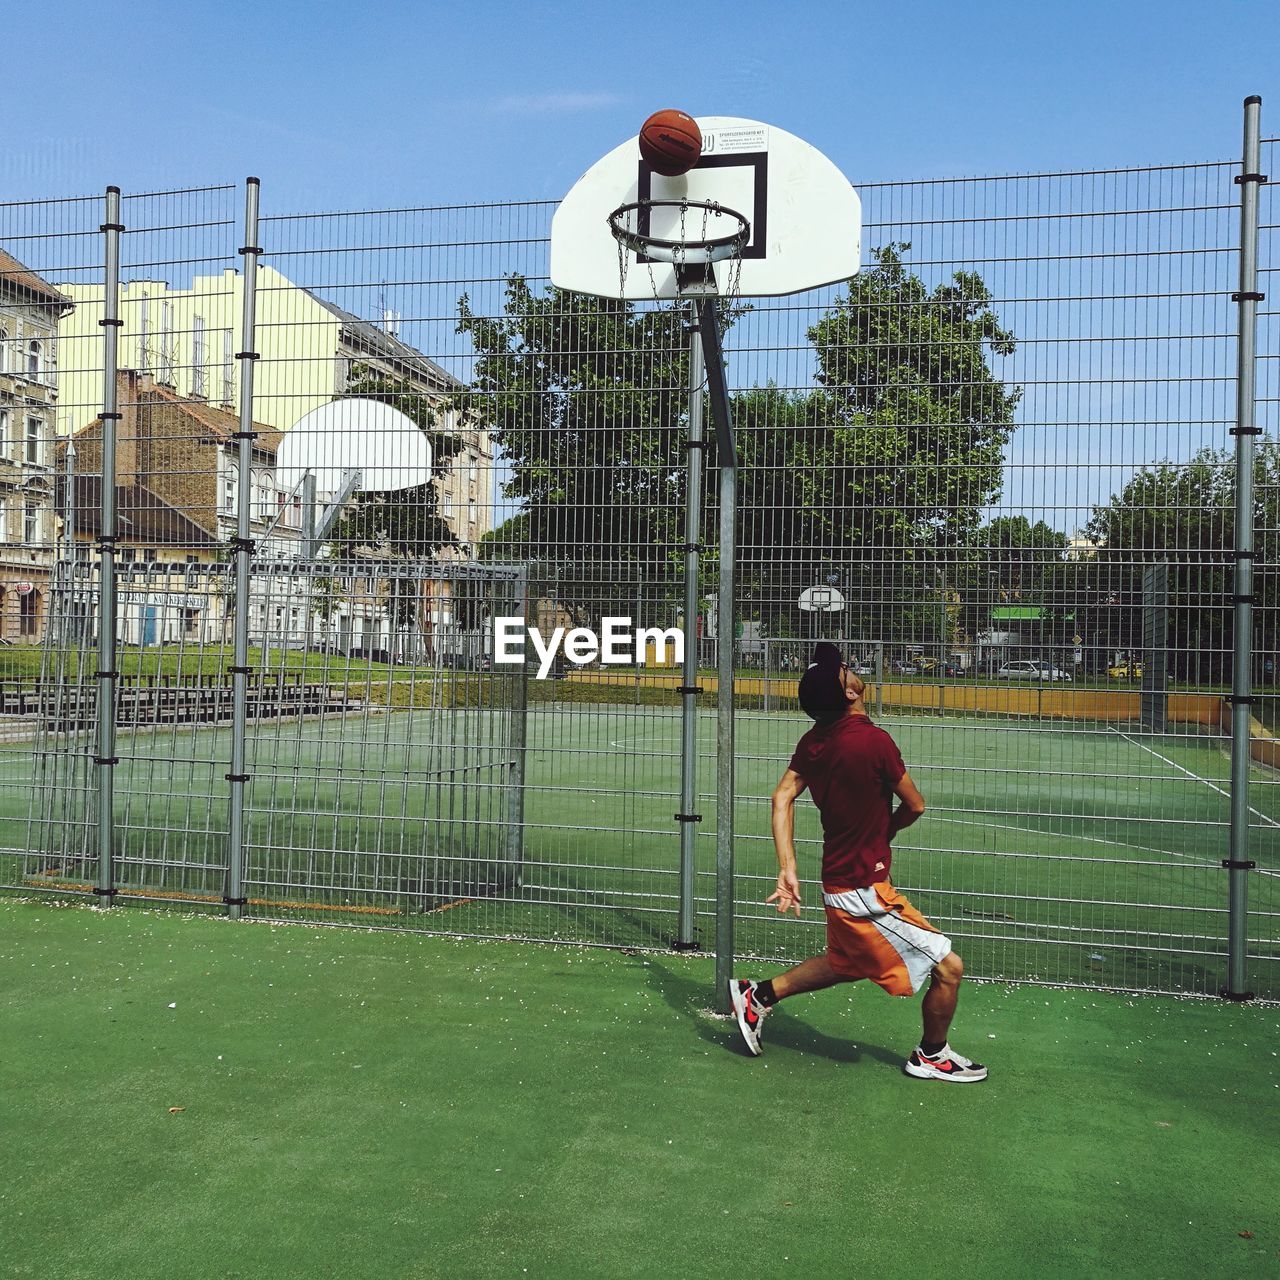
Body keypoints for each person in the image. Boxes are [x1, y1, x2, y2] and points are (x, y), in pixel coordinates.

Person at [728, 642, 987, 1083]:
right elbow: (916, 806)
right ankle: (931, 1054)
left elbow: (782, 796)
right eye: (844, 669)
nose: (849, 668)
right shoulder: (874, 741)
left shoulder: (814, 741)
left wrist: (787, 866)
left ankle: (758, 995)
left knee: (847, 962)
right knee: (949, 966)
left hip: (841, 882)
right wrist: (884, 832)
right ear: (848, 693)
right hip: (862, 891)